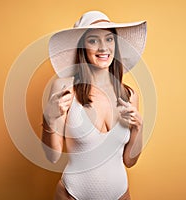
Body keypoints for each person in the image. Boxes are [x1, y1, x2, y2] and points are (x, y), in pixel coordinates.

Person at [41, 11, 147, 200]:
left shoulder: (129, 95)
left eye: (109, 39)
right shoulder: (66, 88)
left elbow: (129, 161)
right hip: (72, 195)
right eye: (93, 40)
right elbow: (53, 156)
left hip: (120, 195)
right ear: (82, 47)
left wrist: (139, 127)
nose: (103, 48)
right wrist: (48, 118)